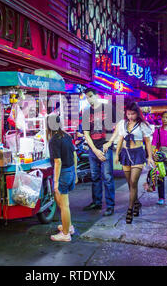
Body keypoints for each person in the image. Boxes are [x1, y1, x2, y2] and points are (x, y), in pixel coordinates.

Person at [114, 102, 155, 224]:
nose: (130, 116)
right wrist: (117, 154)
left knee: (133, 182)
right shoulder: (123, 124)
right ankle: (136, 203)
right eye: (128, 114)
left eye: (132, 114)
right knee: (130, 184)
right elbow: (120, 139)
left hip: (138, 154)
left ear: (137, 113)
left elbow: (147, 142)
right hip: (125, 154)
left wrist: (150, 157)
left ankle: (130, 209)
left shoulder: (142, 125)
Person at [81, 88, 115, 217]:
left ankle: (110, 205)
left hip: (105, 147)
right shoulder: (86, 113)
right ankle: (96, 202)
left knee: (107, 177)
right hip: (93, 149)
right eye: (87, 97)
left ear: (96, 96)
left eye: (90, 96)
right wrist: (95, 150)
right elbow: (86, 133)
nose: (89, 99)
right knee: (95, 177)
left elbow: (116, 127)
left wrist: (109, 143)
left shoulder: (108, 108)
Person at [47, 114, 77, 242]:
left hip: (63, 173)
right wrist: (75, 173)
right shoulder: (67, 136)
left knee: (64, 205)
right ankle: (68, 227)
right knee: (62, 202)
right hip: (70, 171)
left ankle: (65, 234)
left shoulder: (54, 140)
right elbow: (74, 154)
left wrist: (55, 182)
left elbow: (58, 162)